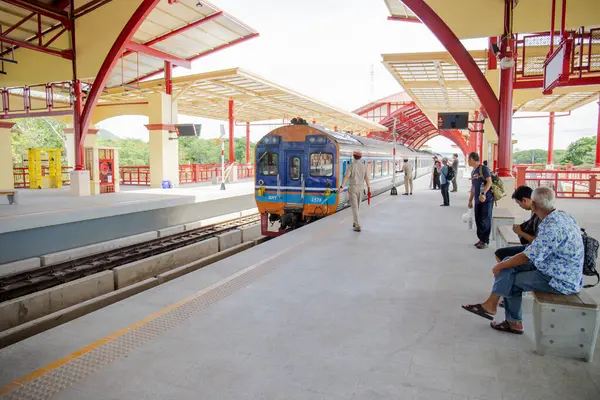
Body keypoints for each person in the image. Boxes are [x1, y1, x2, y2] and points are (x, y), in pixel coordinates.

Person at [461, 187, 584, 334]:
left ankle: (513, 323)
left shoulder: (552, 226)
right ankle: (491, 305)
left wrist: (499, 266)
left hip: (559, 279)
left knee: (511, 280)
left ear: (533, 204)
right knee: (507, 262)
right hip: (553, 266)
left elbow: (528, 256)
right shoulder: (562, 216)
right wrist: (504, 264)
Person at [494, 185, 541, 262]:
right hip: (529, 246)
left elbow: (538, 242)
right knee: (499, 253)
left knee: (503, 260)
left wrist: (520, 232)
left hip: (535, 251)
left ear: (524, 200)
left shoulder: (540, 215)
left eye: (519, 203)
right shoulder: (535, 210)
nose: (520, 206)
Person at [339, 151, 371, 232]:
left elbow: (346, 176)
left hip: (353, 188)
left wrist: (342, 186)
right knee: (358, 206)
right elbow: (366, 178)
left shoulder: (351, 166)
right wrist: (368, 187)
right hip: (361, 188)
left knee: (354, 207)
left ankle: (357, 225)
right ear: (360, 157)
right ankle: (354, 222)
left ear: (353, 156)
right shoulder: (364, 166)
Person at [468, 152, 493, 249]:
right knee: (478, 219)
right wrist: (470, 200)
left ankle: (485, 241)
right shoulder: (473, 171)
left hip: (486, 199)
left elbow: (489, 182)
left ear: (471, 159)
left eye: (468, 159)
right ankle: (481, 238)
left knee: (485, 219)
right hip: (477, 200)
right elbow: (473, 187)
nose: (467, 161)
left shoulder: (484, 169)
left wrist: (483, 193)